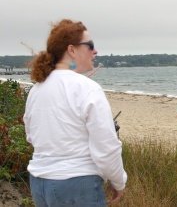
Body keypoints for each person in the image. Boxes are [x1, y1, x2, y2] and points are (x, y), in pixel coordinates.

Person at [23, 19, 127, 206]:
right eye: (90, 46)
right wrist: (118, 181)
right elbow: (106, 147)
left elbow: (31, 136)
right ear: (71, 50)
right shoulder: (88, 89)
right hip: (77, 184)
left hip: (40, 183)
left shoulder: (37, 90)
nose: (95, 52)